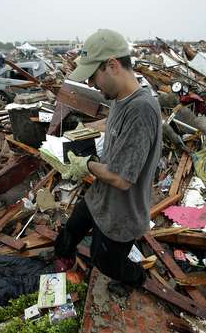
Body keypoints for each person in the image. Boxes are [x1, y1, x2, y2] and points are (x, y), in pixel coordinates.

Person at [54, 29, 162, 293]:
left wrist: (85, 165)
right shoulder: (119, 98)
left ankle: (135, 278)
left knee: (106, 263)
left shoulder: (141, 109)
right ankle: (64, 258)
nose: (91, 84)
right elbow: (111, 124)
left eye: (93, 76)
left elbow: (122, 179)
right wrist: (83, 129)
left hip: (122, 212)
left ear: (112, 65)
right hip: (101, 196)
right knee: (70, 231)